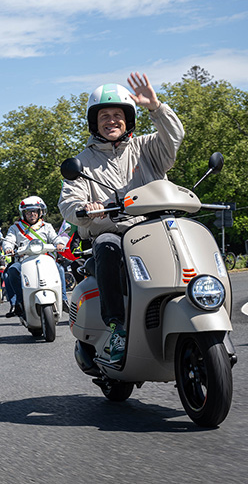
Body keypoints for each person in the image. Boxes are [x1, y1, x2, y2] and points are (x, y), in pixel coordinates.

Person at [58, 72, 184, 363]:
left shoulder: (148, 148)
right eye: (105, 115)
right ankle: (117, 327)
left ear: (128, 119)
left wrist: (156, 107)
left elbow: (174, 137)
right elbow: (68, 202)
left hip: (155, 227)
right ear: (95, 122)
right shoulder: (83, 162)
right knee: (106, 244)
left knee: (187, 234)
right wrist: (83, 209)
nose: (111, 120)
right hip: (113, 231)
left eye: (118, 114)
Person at [1, 195, 62, 318]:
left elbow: (56, 238)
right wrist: (8, 248)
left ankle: (63, 299)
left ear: (40, 212)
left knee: (59, 269)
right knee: (12, 271)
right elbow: (8, 240)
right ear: (23, 214)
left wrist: (60, 244)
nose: (32, 214)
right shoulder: (15, 228)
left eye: (35, 211)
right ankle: (19, 302)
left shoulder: (47, 226)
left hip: (45, 259)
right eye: (28, 212)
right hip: (23, 260)